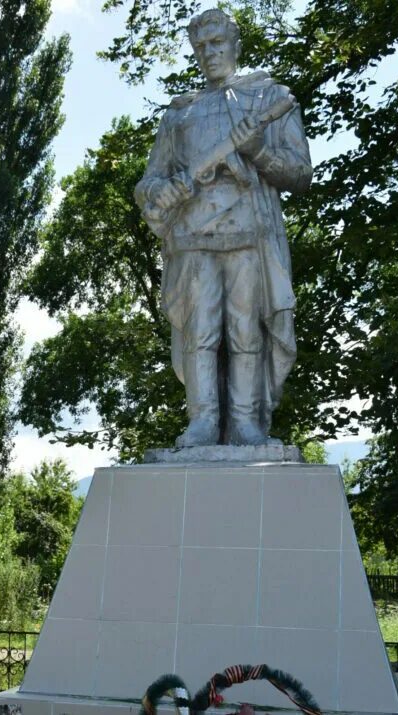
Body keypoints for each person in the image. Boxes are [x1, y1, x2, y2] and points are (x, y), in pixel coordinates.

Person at [135, 9, 312, 447]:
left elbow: (299, 174)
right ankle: (202, 422)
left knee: (245, 328)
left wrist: (258, 152)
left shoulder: (268, 98)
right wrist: (162, 192)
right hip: (192, 238)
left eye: (217, 43)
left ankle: (246, 424)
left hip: (249, 235)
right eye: (201, 46)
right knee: (201, 331)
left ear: (235, 44)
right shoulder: (179, 115)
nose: (209, 53)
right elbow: (149, 182)